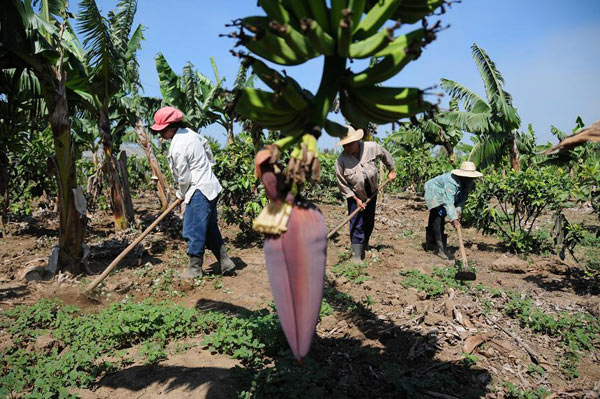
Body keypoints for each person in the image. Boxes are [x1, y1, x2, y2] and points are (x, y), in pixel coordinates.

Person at [151, 106, 235, 278]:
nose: (160, 135)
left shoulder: (178, 146)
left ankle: (194, 270)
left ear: (171, 127)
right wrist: (208, 167)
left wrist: (181, 194)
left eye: (162, 131)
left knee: (193, 229)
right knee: (209, 228)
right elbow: (206, 146)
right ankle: (226, 262)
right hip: (210, 186)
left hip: (198, 190)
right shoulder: (190, 133)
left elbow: (184, 177)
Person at [335, 126, 396, 262]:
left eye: (349, 144)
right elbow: (342, 184)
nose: (346, 147)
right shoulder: (341, 161)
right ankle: (356, 256)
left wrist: (391, 169)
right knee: (356, 222)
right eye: (344, 145)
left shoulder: (371, 147)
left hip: (372, 191)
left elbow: (386, 155)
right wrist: (355, 199)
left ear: (356, 141)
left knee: (369, 221)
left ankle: (365, 243)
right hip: (354, 194)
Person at [423, 161, 483, 259]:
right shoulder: (451, 181)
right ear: (462, 175)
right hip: (434, 190)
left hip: (445, 193)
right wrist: (454, 219)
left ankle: (431, 244)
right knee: (438, 215)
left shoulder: (469, 182)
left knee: (438, 216)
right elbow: (448, 201)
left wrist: (458, 211)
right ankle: (439, 248)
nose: (470, 179)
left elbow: (463, 199)